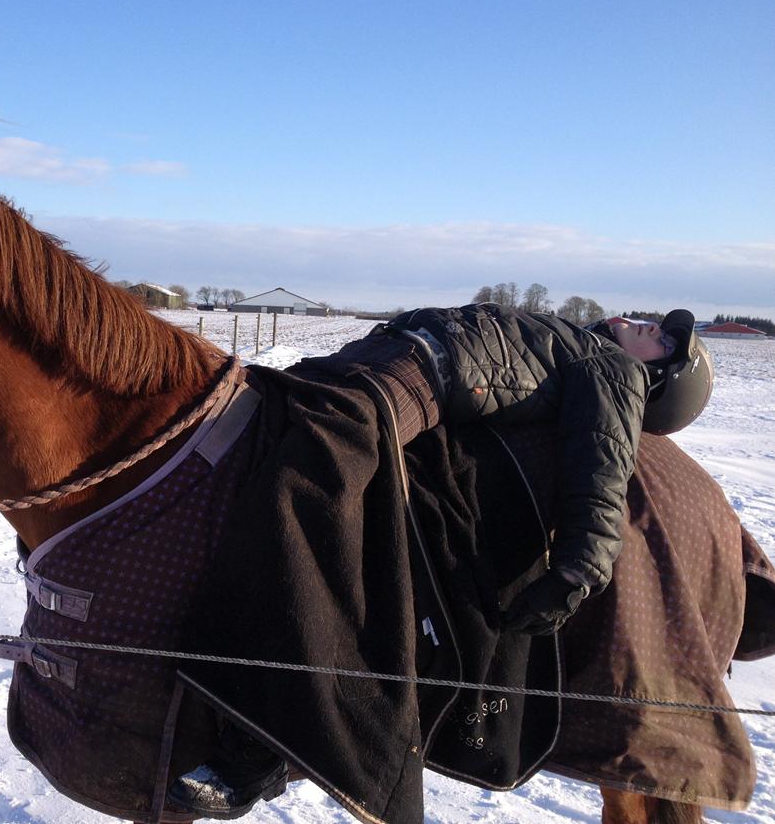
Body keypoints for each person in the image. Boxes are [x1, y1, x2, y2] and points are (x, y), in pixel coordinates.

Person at [168, 304, 715, 819]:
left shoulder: (614, 368)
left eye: (665, 342)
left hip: (421, 374)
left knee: (311, 485)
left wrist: (578, 571)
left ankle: (261, 748)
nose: (650, 327)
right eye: (659, 326)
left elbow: (604, 464)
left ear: (657, 382)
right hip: (373, 355)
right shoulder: (571, 339)